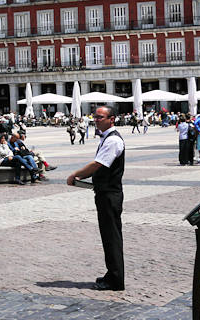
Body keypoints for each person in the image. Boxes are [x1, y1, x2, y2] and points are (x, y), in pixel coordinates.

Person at [67, 105, 125, 291]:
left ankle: (116, 279)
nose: (96, 120)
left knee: (112, 237)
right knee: (108, 236)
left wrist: (76, 174)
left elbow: (98, 164)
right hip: (105, 193)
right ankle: (112, 273)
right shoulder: (107, 138)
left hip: (110, 194)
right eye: (95, 117)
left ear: (112, 119)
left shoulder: (113, 141)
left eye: (100, 117)